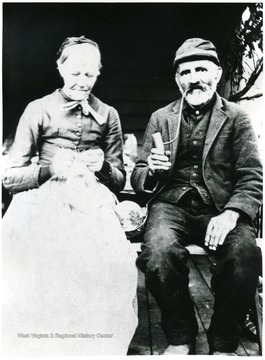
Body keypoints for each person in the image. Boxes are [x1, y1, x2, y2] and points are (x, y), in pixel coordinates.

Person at [2, 36, 138, 356]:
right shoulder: (38, 109)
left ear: (98, 74)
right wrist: (49, 169)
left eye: (89, 74)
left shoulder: (109, 114)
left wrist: (104, 166)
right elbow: (9, 178)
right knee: (34, 258)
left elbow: (118, 180)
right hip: (41, 196)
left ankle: (88, 346)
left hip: (92, 199)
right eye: (74, 73)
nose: (81, 81)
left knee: (108, 261)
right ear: (60, 68)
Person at [131, 38, 262, 355]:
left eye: (201, 69)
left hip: (221, 207)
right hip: (171, 206)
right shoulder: (161, 118)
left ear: (216, 73)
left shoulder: (236, 117)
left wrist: (232, 213)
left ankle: (224, 342)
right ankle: (180, 337)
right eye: (185, 72)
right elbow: (137, 175)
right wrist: (153, 171)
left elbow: (252, 176)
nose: (193, 78)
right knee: (158, 254)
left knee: (244, 257)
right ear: (178, 79)